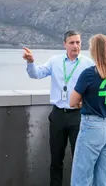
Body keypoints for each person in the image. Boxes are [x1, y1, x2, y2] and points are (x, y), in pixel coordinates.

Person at [23, 30, 94, 186]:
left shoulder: (88, 64)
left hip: (79, 117)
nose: (75, 46)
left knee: (80, 159)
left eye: (78, 42)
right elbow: (36, 74)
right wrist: (30, 62)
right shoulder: (55, 61)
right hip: (58, 116)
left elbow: (95, 88)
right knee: (56, 159)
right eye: (72, 42)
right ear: (65, 44)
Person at [68, 34, 106, 186]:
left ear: (95, 51)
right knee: (102, 179)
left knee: (81, 177)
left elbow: (72, 102)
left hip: (92, 128)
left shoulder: (89, 74)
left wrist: (82, 103)